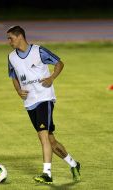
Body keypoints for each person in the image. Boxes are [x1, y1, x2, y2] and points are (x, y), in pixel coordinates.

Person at [6, 25, 81, 184]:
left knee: (42, 135)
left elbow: (59, 63)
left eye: (10, 38)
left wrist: (52, 77)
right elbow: (13, 75)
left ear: (19, 36)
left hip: (44, 97)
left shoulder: (38, 51)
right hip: (30, 102)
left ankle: (47, 173)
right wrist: (18, 90)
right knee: (51, 141)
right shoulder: (11, 57)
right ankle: (73, 164)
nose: (9, 42)